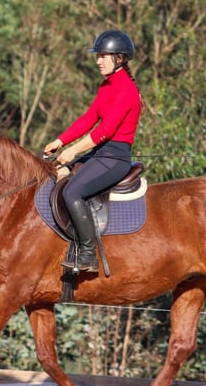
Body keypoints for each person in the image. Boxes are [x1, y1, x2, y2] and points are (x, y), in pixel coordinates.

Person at [44, 29, 142, 272]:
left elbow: (105, 131)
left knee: (72, 192)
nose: (98, 61)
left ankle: (87, 254)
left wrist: (73, 151)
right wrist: (60, 140)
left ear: (120, 58)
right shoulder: (106, 85)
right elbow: (90, 118)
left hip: (114, 157)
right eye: (97, 56)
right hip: (100, 153)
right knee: (58, 170)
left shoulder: (127, 90)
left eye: (103, 56)